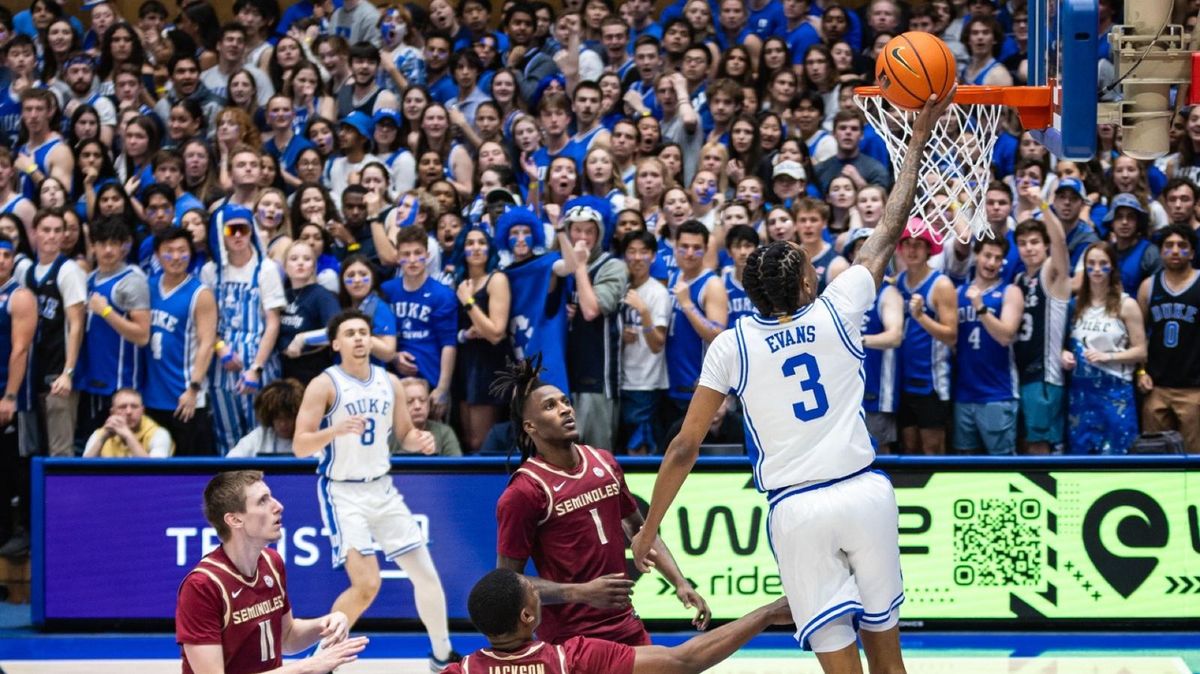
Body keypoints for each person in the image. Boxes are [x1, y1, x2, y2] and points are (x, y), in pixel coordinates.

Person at [631, 91, 956, 673]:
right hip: (865, 493)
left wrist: (649, 530)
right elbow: (887, 227)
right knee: (891, 660)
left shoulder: (731, 345)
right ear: (806, 284)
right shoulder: (839, 305)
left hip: (798, 509)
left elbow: (684, 446)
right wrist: (918, 137)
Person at [492, 355, 711, 646]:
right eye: (550, 406)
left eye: (565, 402)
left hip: (626, 624)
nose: (565, 410)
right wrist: (580, 592)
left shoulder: (604, 462)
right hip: (570, 638)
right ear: (530, 427)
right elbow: (508, 583)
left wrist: (680, 583)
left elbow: (641, 531)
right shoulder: (525, 491)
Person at [292, 309, 459, 672]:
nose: (358, 338)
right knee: (367, 584)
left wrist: (422, 440)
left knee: (426, 575)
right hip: (342, 491)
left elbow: (405, 435)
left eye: (363, 332)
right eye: (349, 332)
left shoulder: (390, 382)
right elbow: (300, 445)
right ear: (336, 343)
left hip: (383, 489)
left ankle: (442, 657)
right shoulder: (325, 384)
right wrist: (335, 431)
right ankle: (320, 660)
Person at [176, 470, 367, 674]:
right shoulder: (202, 586)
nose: (278, 506)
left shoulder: (271, 562)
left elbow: (287, 637)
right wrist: (309, 667)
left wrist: (326, 624)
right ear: (234, 520)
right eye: (262, 501)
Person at [444, 568, 791, 674]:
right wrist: (766, 614)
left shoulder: (460, 670)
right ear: (527, 616)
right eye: (532, 591)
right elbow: (685, 659)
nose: (538, 592)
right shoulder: (573, 659)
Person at [202, 204, 285, 454]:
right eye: (231, 230)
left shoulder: (266, 269)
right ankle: (230, 491)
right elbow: (206, 321)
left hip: (258, 363)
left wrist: (256, 369)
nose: (237, 235)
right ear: (221, 233)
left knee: (261, 432)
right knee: (225, 433)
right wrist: (219, 347)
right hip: (221, 363)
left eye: (243, 229)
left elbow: (273, 322)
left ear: (251, 231)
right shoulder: (211, 271)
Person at [1062, 243, 1148, 455]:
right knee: (1080, 456)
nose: (1097, 269)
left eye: (1103, 264)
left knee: (1117, 456)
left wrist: (1107, 356)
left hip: (1115, 391)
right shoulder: (1075, 305)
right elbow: (1064, 344)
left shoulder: (1126, 304)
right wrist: (1063, 354)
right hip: (1081, 393)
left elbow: (1141, 351)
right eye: (1091, 264)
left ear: (1112, 268)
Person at [73, 217, 151, 443]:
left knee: (122, 451)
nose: (108, 250)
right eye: (102, 243)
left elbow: (142, 335)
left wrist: (107, 312)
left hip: (121, 385)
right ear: (93, 246)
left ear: (124, 246)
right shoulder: (88, 280)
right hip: (93, 381)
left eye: (114, 243)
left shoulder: (132, 282)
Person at [144, 228, 218, 456]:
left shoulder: (200, 293)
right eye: (169, 251)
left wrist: (194, 389)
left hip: (184, 397)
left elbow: (207, 343)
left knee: (192, 472)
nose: (176, 257)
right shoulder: (148, 285)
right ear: (157, 255)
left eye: (182, 251)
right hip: (152, 396)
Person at [1012, 182, 1071, 455]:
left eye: (1035, 242)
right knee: (1027, 443)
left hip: (1045, 374)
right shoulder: (1019, 279)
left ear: (1045, 246)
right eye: (1022, 243)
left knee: (1040, 444)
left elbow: (1060, 241)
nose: (1028, 248)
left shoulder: (1052, 273)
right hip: (1022, 373)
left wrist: (1043, 206)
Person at [952, 238, 1023, 455]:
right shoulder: (957, 293)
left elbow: (1005, 336)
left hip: (998, 393)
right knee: (965, 467)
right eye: (987, 256)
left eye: (998, 258)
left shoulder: (1010, 291)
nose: (991, 263)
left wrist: (980, 307)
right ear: (976, 256)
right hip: (964, 392)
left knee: (1003, 463)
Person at [25, 208, 86, 457]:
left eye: (57, 230)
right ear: (34, 233)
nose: (51, 236)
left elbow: (77, 324)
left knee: (60, 451)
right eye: (46, 230)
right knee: (36, 450)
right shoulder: (28, 271)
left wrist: (68, 372)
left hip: (59, 374)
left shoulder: (68, 270)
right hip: (35, 374)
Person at [1137, 224, 1200, 452]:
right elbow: (1138, 335)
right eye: (1169, 246)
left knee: (1195, 460)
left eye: (1182, 246)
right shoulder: (1148, 287)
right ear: (1161, 251)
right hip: (1157, 387)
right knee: (1155, 457)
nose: (1175, 251)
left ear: (1192, 253)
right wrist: (1141, 372)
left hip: (1194, 389)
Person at [895, 222, 957, 454]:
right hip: (902, 379)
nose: (912, 250)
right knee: (909, 445)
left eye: (919, 245)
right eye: (907, 244)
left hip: (932, 380)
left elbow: (951, 336)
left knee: (933, 448)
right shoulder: (898, 281)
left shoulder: (941, 284)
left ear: (929, 249)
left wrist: (921, 317)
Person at [0, 232, 35, 557]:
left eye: (6, 255)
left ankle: (22, 531)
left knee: (16, 466)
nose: (1, 260)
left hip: (12, 399)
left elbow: (20, 349)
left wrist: (10, 395)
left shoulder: (19, 296)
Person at [81, 388, 173, 457]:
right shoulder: (99, 434)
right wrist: (103, 439)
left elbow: (156, 470)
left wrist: (127, 435)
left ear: (142, 411)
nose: (129, 412)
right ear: (112, 412)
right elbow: (82, 471)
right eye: (122, 407)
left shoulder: (159, 433)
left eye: (134, 406)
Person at [227, 379, 304, 458]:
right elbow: (230, 461)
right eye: (278, 418)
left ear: (298, 416)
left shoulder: (308, 438)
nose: (283, 424)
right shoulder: (259, 437)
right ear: (270, 417)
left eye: (288, 417)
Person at [389, 377, 463, 457]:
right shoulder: (387, 434)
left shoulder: (444, 433)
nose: (417, 406)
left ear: (429, 404)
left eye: (422, 400)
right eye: (409, 401)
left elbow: (456, 465)